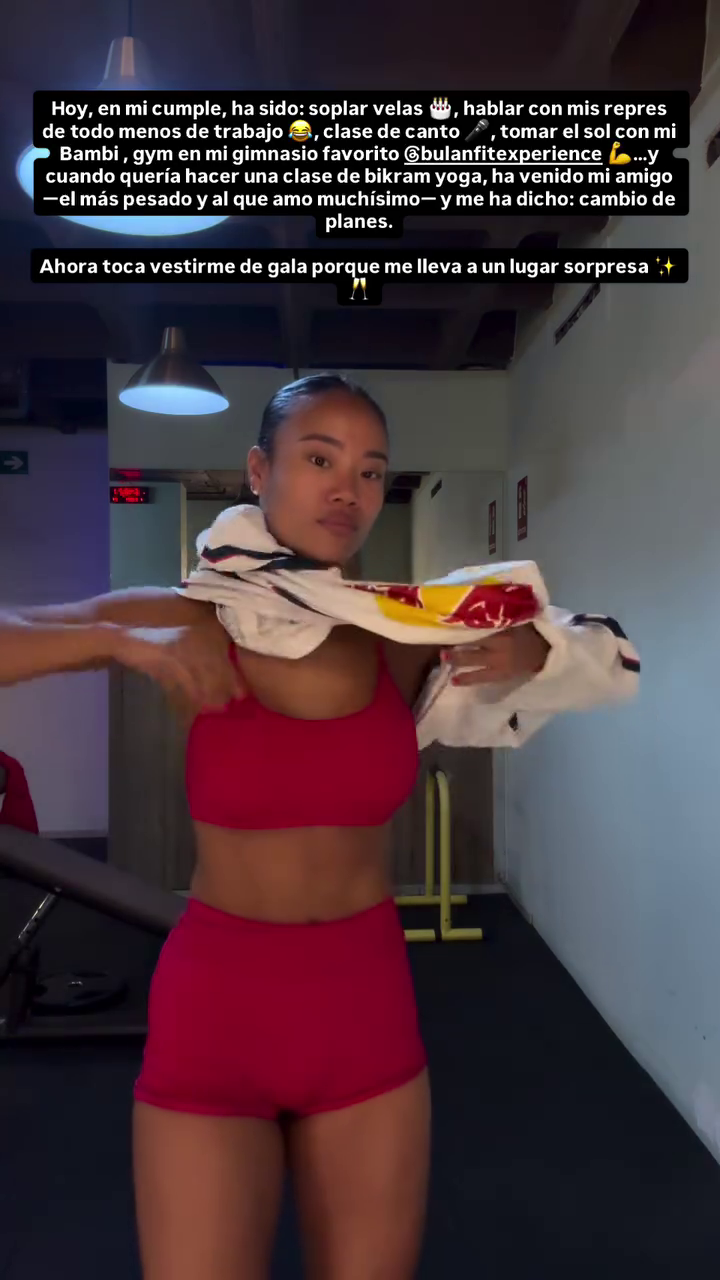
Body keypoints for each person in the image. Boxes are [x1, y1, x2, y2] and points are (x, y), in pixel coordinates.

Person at [0, 374, 616, 1280]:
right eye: (320, 460)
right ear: (260, 471)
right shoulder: (193, 615)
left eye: (370, 471)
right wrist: (116, 641)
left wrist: (538, 648)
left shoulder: (397, 635)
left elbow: (594, 647)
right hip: (216, 1011)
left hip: (363, 1008)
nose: (347, 490)